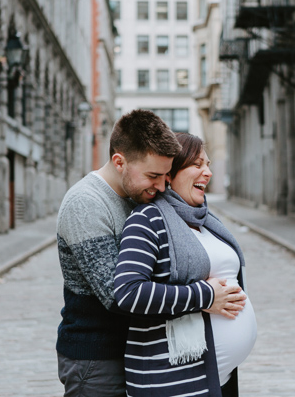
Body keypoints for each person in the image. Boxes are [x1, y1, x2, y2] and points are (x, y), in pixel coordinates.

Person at [56, 110, 244, 397]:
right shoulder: (86, 204)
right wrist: (206, 296)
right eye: (153, 176)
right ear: (119, 162)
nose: (160, 186)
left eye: (166, 176)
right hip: (98, 358)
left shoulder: (138, 196)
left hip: (134, 351)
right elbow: (118, 296)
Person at [114, 133, 257, 397]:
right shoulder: (147, 219)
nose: (208, 173)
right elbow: (129, 292)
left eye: (209, 165)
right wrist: (207, 295)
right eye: (198, 164)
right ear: (169, 173)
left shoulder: (205, 221)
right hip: (172, 380)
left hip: (214, 377)